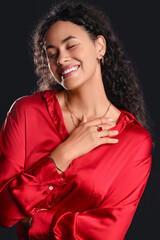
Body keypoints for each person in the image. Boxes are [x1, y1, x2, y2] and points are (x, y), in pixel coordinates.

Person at [0, 0, 152, 239]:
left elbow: (109, 232)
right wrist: (63, 154)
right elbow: (4, 210)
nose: (61, 59)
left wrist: (39, 221)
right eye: (52, 54)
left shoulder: (133, 141)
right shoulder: (26, 112)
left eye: (71, 46)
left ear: (99, 47)